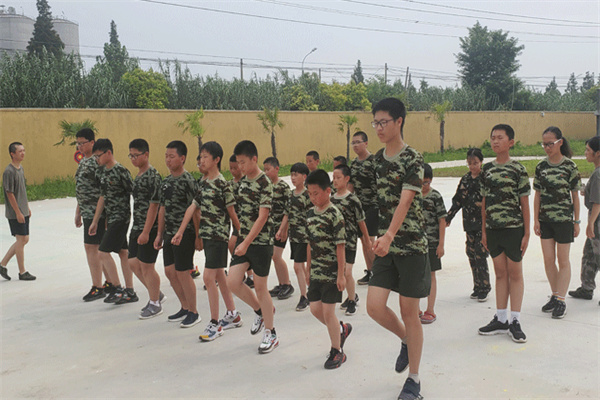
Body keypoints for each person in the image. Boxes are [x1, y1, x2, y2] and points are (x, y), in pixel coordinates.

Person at [366, 98, 429, 400]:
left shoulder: (413, 158)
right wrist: (377, 236)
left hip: (411, 245)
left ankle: (414, 380)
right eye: (375, 123)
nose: (378, 128)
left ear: (399, 121)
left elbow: (405, 200)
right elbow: (374, 202)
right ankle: (405, 339)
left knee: (409, 311)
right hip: (386, 246)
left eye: (383, 122)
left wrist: (390, 234)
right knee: (374, 306)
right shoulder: (377, 160)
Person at [173, 141, 243, 340]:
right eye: (200, 157)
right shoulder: (203, 183)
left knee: (208, 278)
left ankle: (215, 324)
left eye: (205, 157)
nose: (201, 160)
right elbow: (192, 207)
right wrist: (180, 231)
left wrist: (242, 236)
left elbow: (232, 213)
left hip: (218, 237)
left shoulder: (222, 184)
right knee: (219, 276)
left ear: (216, 159)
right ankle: (233, 314)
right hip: (207, 235)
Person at [478, 124, 530, 343]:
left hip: (513, 229)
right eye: (493, 138)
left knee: (515, 274)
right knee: (500, 274)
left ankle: (515, 320)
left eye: (500, 137)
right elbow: (484, 203)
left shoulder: (518, 169)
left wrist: (526, 233)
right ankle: (501, 319)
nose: (495, 141)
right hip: (493, 230)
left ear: (511, 142)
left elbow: (524, 203)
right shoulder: (487, 170)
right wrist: (483, 231)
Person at [226, 140, 278, 354]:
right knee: (232, 281)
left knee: (260, 287)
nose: (240, 167)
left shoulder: (265, 183)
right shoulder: (241, 183)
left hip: (261, 242)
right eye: (238, 163)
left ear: (254, 159)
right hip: (244, 240)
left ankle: (271, 332)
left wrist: (246, 242)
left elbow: (262, 216)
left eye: (243, 162)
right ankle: (259, 310)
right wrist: (240, 238)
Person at [305, 169, 352, 369]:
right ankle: (340, 329)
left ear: (328, 191)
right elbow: (309, 243)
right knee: (315, 309)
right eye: (310, 194)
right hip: (316, 271)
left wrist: (341, 275)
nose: (313, 197)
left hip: (332, 272)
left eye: (316, 193)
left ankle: (337, 350)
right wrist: (308, 268)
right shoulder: (310, 214)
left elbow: (340, 246)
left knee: (328, 312)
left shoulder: (335, 215)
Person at [533, 127, 581, 319]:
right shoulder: (541, 167)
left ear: (560, 142)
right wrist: (536, 219)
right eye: (544, 144)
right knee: (548, 259)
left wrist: (576, 221)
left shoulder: (570, 166)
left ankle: (561, 300)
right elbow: (537, 195)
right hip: (545, 221)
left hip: (563, 221)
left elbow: (575, 196)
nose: (547, 148)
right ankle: (555, 294)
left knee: (563, 260)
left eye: (550, 144)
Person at [154, 140, 201, 328]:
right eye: (166, 156)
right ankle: (185, 306)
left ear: (182, 158)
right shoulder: (165, 182)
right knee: (170, 271)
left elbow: (196, 210)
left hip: (185, 233)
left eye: (171, 156)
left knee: (183, 272)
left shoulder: (188, 181)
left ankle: (194, 312)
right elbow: (162, 208)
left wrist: (198, 236)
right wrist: (159, 234)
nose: (168, 160)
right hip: (169, 233)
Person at [88, 139, 136, 304]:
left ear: (108, 153)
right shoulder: (102, 172)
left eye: (98, 156)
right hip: (111, 218)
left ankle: (117, 288)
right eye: (95, 157)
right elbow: (103, 196)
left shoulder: (121, 171)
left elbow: (134, 193)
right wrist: (95, 221)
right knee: (123, 252)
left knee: (102, 252)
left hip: (121, 218)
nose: (97, 159)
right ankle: (130, 290)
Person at [127, 139, 166, 319]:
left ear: (146, 154)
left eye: (136, 155)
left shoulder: (153, 176)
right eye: (130, 155)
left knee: (147, 266)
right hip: (137, 225)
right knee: (133, 262)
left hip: (149, 227)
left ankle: (155, 303)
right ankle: (156, 293)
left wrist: (146, 232)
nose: (133, 159)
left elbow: (154, 205)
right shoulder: (139, 175)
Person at [446, 148, 491, 302]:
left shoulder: (485, 178)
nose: (472, 166)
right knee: (471, 253)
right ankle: (477, 286)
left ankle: (484, 287)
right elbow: (458, 200)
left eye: (475, 163)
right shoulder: (465, 179)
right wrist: (449, 216)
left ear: (481, 162)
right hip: (469, 224)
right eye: (470, 163)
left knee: (480, 254)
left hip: (482, 225)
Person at [330, 164, 371, 316]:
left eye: (338, 178)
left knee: (347, 271)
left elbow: (361, 221)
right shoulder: (331, 199)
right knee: (339, 271)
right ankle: (350, 295)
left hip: (349, 241)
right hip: (335, 242)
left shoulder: (353, 200)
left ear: (347, 179)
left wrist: (367, 240)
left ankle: (352, 300)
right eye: (333, 178)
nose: (335, 181)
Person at [568, 136, 600, 305]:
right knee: (589, 255)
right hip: (596, 217)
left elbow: (598, 203)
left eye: (588, 150)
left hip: (597, 219)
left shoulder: (598, 174)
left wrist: (591, 224)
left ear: (598, 153)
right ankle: (587, 287)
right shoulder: (596, 173)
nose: (585, 153)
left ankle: (587, 287)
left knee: (598, 254)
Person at [276, 162, 311, 311]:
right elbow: (287, 213)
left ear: (304, 177)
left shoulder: (308, 195)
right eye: (291, 175)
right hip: (294, 236)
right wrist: (281, 229)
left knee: (298, 266)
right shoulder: (291, 194)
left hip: (305, 237)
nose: (293, 177)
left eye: (296, 175)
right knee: (300, 267)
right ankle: (307, 294)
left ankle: (305, 296)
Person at [0, 142, 35, 281]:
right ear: (12, 154)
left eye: (24, 150)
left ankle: (2, 264)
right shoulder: (9, 171)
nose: (23, 153)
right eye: (20, 151)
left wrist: (26, 208)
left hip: (23, 210)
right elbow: (10, 193)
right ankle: (22, 272)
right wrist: (18, 212)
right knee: (21, 240)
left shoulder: (20, 169)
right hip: (15, 212)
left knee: (24, 239)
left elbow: (22, 191)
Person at [264, 157, 295, 300]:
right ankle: (282, 284)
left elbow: (288, 210)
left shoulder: (283, 187)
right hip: (270, 227)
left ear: (276, 169)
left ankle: (287, 284)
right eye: (264, 170)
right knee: (273, 256)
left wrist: (283, 229)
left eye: (268, 169)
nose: (266, 172)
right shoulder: (267, 186)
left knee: (276, 256)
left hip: (281, 227)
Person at [349, 131, 378, 286]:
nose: (355, 145)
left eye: (358, 142)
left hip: (373, 206)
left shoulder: (374, 162)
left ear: (366, 143)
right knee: (364, 241)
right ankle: (371, 271)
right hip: (359, 208)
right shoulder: (353, 164)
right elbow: (351, 186)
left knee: (370, 241)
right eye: (353, 143)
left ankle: (377, 273)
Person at [420, 163, 447, 324]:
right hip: (416, 243)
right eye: (421, 182)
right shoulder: (412, 196)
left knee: (431, 275)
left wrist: (441, 244)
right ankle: (415, 308)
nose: (424, 186)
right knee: (416, 275)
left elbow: (442, 220)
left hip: (432, 243)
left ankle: (430, 310)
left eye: (427, 182)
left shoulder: (435, 196)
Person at [227, 154, 255, 289]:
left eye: (235, 167)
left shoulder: (246, 182)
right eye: (230, 168)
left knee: (236, 245)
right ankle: (246, 274)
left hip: (246, 221)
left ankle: (250, 275)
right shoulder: (229, 184)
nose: (233, 171)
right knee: (233, 246)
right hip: (235, 221)